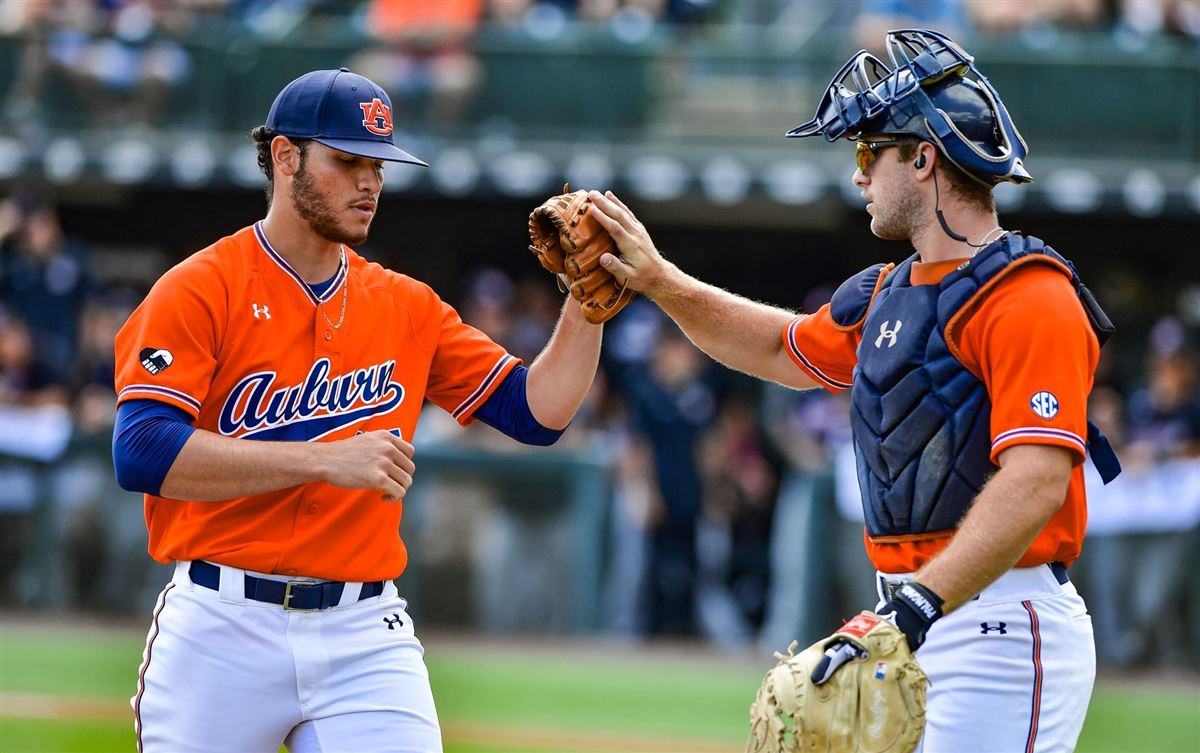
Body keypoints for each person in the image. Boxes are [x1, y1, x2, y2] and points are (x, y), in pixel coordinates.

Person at [586, 29, 1121, 752]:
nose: (858, 174)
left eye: (872, 151)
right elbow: (778, 345)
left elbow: (1037, 479)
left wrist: (915, 607)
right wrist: (658, 280)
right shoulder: (887, 293)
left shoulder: (1029, 295)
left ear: (924, 157)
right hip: (913, 614)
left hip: (999, 621)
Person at [111, 67, 602, 753]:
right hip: (221, 625)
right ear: (286, 158)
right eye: (348, 162)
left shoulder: (407, 304)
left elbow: (536, 414)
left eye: (378, 165)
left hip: (362, 629)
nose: (370, 182)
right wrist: (322, 458)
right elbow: (142, 451)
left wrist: (587, 303)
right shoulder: (199, 289)